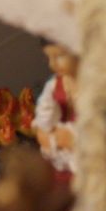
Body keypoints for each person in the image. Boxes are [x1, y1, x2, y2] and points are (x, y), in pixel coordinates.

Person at [32, 43, 79, 181]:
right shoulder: (53, 85)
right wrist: (46, 132)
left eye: (59, 56)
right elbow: (43, 121)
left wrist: (72, 138)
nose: (52, 64)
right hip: (62, 155)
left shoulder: (95, 89)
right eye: (49, 57)